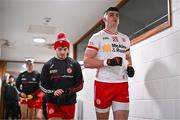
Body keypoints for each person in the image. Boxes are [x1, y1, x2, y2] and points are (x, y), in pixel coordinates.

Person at [83, 7, 135, 120]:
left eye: (117, 15)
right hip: (103, 83)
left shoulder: (125, 38)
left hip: (122, 84)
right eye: (111, 14)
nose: (115, 17)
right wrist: (108, 62)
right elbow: (87, 62)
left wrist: (130, 66)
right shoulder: (97, 37)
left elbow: (128, 56)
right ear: (104, 18)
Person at [40, 32, 84, 120]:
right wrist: (53, 92)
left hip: (69, 102)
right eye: (59, 49)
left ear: (68, 49)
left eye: (65, 49)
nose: (62, 52)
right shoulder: (48, 65)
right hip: (52, 102)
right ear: (55, 49)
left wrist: (69, 91)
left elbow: (80, 84)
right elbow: (42, 85)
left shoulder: (75, 64)